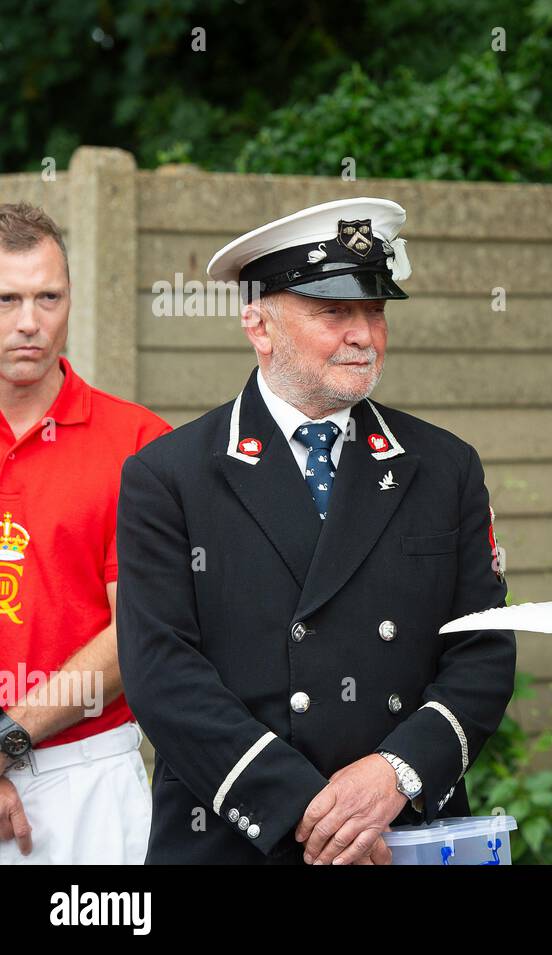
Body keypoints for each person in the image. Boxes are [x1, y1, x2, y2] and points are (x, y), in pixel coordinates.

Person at [115, 198, 516, 864]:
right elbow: (162, 674)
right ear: (259, 324)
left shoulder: (444, 466)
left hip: (403, 832)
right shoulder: (170, 475)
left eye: (376, 310)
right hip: (237, 835)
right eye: (334, 312)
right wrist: (311, 811)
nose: (364, 334)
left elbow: (483, 652)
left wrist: (396, 772)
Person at [0, 202, 170, 864]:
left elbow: (138, 632)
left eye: (48, 296)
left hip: (85, 782)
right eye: (6, 297)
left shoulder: (138, 444)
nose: (28, 322)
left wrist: (9, 738)